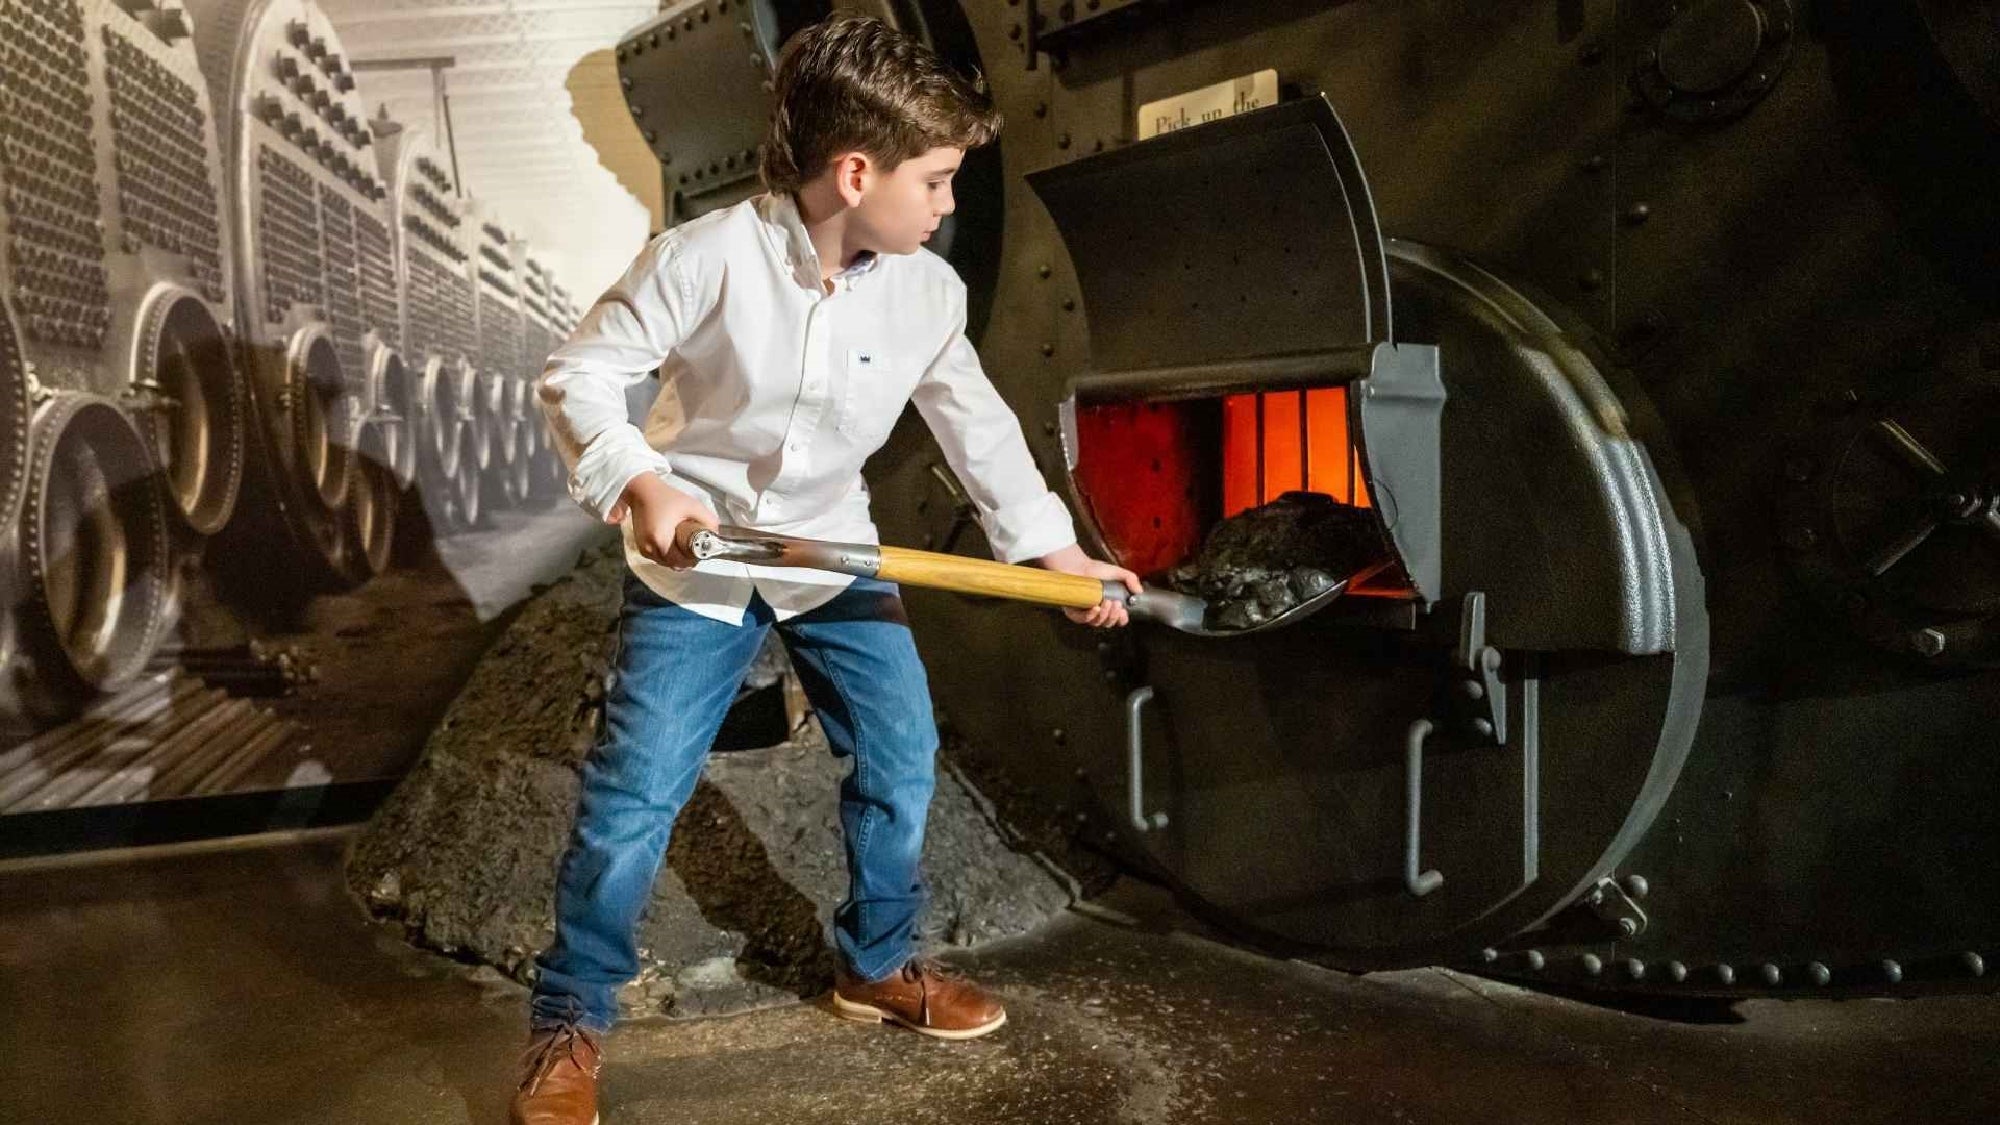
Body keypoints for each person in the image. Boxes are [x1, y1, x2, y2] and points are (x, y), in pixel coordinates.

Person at [510, 12, 1140, 1124]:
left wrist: (1057, 553)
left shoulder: (928, 293)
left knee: (900, 754)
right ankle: (570, 1019)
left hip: (832, 551)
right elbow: (578, 375)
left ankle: (876, 964)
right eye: (935, 180)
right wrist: (642, 483)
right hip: (701, 560)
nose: (947, 204)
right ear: (856, 174)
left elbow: (978, 430)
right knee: (634, 795)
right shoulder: (704, 258)